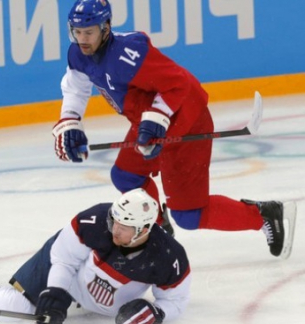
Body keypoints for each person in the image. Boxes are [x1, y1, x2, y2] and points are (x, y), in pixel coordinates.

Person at [51, 0, 296, 258]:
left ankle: (265, 216)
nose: (82, 39)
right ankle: (156, 226)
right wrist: (71, 122)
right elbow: (76, 87)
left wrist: (156, 120)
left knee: (189, 216)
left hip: (186, 120)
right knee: (125, 175)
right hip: (149, 121)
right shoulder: (78, 53)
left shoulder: (129, 54)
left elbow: (177, 84)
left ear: (106, 27)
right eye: (76, 32)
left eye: (88, 32)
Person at [0, 188, 190, 324]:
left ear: (143, 229)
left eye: (123, 227)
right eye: (113, 221)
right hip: (70, 269)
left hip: (101, 294)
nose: (114, 228)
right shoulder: (94, 221)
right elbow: (64, 260)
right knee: (17, 308)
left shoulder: (168, 257)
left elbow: (175, 300)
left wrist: (156, 314)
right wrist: (55, 295)